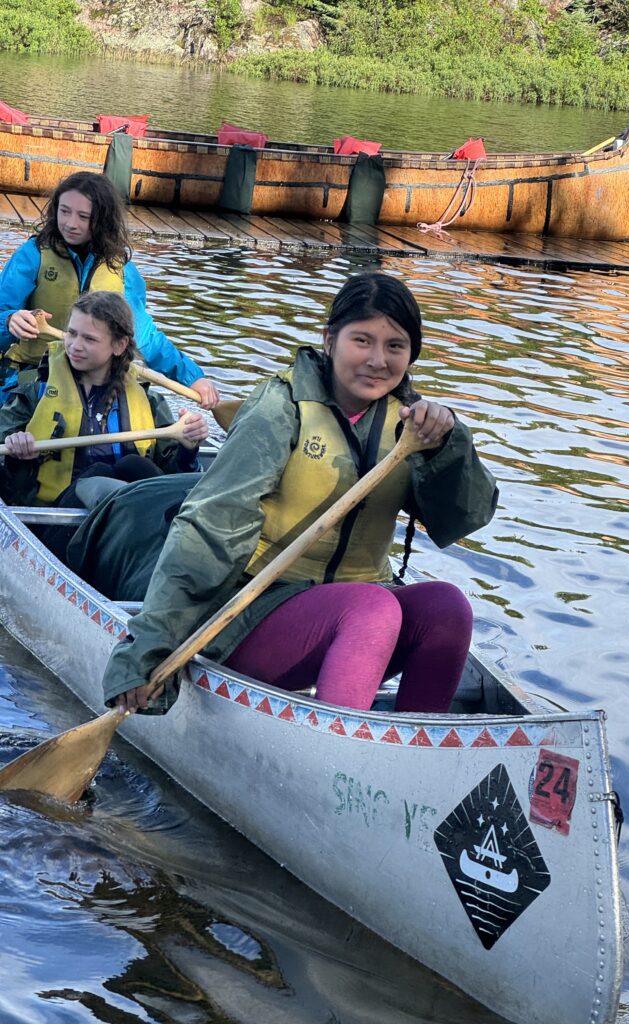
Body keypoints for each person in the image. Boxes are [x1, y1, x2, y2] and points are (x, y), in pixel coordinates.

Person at [103, 272, 498, 715]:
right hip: (251, 608)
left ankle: (418, 749)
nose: (377, 360)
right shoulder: (281, 406)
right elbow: (209, 528)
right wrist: (150, 647)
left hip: (361, 614)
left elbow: (464, 517)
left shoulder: (413, 425)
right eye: (362, 340)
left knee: (447, 607)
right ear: (329, 339)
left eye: (395, 346)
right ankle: (340, 761)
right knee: (372, 609)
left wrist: (448, 447)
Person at [0, 170, 219, 406]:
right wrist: (9, 320)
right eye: (64, 211)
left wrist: (193, 378)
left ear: (103, 219)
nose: (71, 224)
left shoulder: (122, 271)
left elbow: (145, 337)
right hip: (35, 375)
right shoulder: (32, 255)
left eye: (84, 216)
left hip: (97, 380)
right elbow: (3, 310)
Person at [0, 290, 208, 514]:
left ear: (119, 345)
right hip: (54, 521)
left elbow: (175, 475)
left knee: (134, 466)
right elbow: (8, 479)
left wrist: (188, 447)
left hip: (124, 521)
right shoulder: (34, 393)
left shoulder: (149, 402)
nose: (75, 345)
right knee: (100, 472)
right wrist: (16, 454)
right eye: (71, 333)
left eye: (89, 338)